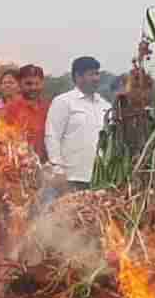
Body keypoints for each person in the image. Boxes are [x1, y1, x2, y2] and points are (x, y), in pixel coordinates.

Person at [45, 56, 112, 199]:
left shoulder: (105, 106)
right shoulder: (63, 102)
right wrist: (57, 169)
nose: (96, 78)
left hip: (99, 179)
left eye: (97, 73)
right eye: (91, 74)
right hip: (72, 178)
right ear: (78, 76)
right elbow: (52, 136)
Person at [0, 64, 50, 161]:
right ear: (19, 84)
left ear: (42, 84)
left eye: (37, 83)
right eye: (28, 84)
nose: (33, 88)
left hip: (45, 167)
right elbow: (0, 143)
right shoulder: (8, 110)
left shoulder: (49, 107)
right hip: (18, 167)